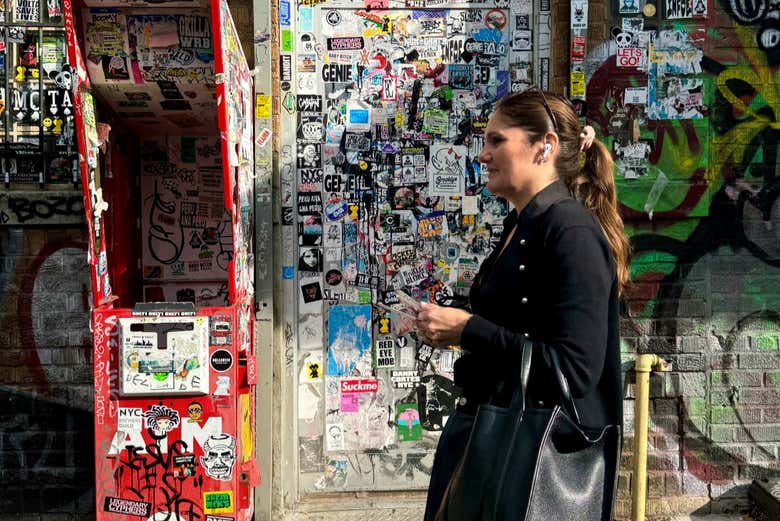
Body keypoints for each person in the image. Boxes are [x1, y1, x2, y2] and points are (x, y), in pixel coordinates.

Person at [418, 89, 630, 520]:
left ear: (544, 147)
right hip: (489, 441)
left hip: (533, 458)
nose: (483, 155)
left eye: (497, 141)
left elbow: (573, 369)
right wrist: (450, 322)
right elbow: (519, 322)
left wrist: (469, 330)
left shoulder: (571, 232)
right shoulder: (522, 222)